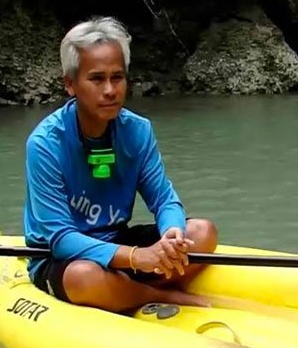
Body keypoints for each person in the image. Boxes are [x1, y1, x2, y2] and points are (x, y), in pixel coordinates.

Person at [24, 16, 217, 312]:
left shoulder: (137, 131)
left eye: (118, 77)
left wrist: (171, 234)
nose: (111, 90)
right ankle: (160, 295)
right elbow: (61, 239)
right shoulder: (45, 144)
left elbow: (164, 199)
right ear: (70, 84)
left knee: (203, 233)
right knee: (83, 277)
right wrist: (136, 257)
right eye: (97, 79)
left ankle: (124, 291)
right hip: (64, 256)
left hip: (116, 238)